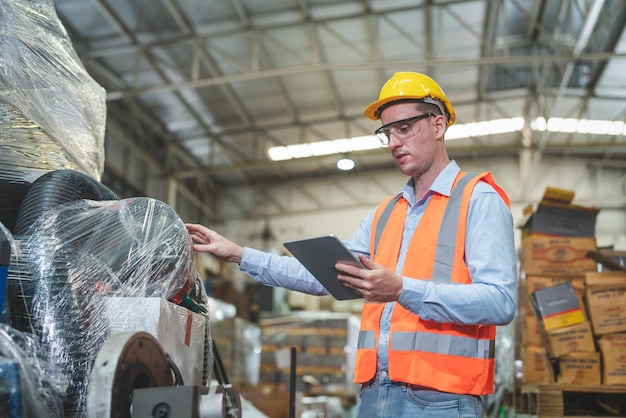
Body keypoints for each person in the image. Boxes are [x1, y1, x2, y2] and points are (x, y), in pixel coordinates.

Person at [185, 71, 517, 418]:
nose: (393, 143)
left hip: (442, 401)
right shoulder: (385, 215)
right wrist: (240, 253)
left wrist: (401, 289)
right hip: (375, 396)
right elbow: (320, 275)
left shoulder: (478, 199)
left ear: (438, 126)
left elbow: (500, 300)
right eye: (387, 133)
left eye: (404, 128)